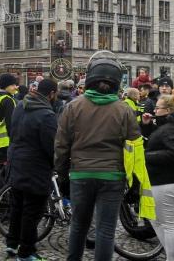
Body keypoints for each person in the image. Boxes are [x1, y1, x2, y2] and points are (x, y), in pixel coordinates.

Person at [55, 56, 140, 261]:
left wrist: (62, 174)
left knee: (78, 226)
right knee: (105, 230)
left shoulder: (73, 107)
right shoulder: (124, 110)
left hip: (80, 174)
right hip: (112, 176)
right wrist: (134, 179)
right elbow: (135, 146)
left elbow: (61, 145)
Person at [5, 78, 58, 261]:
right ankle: (26, 252)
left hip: (16, 162)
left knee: (17, 207)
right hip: (35, 168)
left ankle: (12, 244)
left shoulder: (20, 105)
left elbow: (12, 131)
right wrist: (57, 165)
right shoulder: (47, 115)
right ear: (51, 94)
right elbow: (51, 147)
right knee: (32, 212)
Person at [145, 94, 174, 261]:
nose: (154, 110)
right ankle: (172, 255)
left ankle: (173, 258)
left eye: (158, 108)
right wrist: (147, 126)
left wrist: (146, 156)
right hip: (162, 180)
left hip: (168, 180)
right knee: (155, 219)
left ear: (170, 110)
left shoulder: (172, 128)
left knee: (168, 223)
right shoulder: (169, 126)